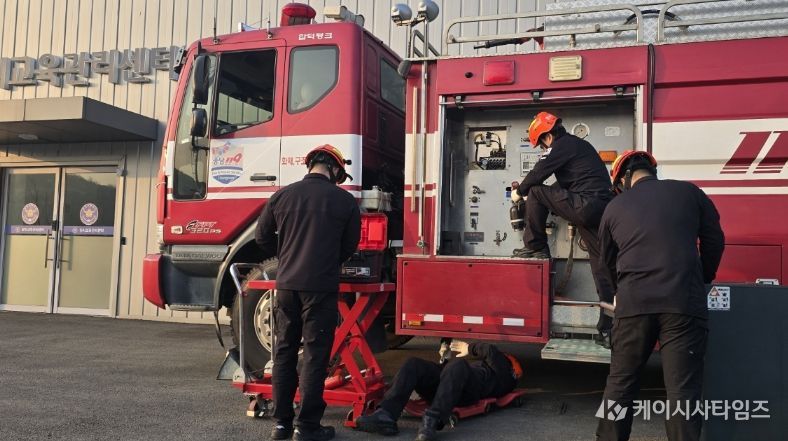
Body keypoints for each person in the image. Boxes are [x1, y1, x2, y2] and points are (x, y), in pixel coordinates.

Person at [595, 151, 725, 441]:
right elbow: (715, 239)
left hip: (633, 304)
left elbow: (604, 262)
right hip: (682, 302)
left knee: (620, 386)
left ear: (624, 180)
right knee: (682, 391)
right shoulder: (690, 192)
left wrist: (622, 291)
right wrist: (701, 277)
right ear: (652, 171)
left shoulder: (615, 207)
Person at [255, 144, 361, 441]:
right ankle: (308, 427)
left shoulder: (282, 195)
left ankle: (281, 425)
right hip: (321, 288)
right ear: (335, 169)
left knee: (284, 353)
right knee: (315, 356)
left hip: (286, 285)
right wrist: (327, 261)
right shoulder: (344, 201)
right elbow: (350, 245)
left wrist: (288, 255)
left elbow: (262, 237)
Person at [511, 111, 616, 346]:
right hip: (600, 210)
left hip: (585, 205)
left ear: (548, 136)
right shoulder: (578, 148)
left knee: (535, 191)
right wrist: (545, 203)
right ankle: (608, 328)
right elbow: (562, 185)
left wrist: (521, 193)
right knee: (602, 268)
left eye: (540, 145)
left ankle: (536, 246)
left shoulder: (563, 144)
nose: (541, 149)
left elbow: (539, 175)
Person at [355, 340, 521, 441]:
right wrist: (445, 359)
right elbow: (450, 378)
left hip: (467, 392)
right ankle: (386, 414)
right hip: (450, 387)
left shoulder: (504, 375)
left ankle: (431, 422)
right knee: (414, 364)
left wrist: (469, 348)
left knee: (458, 365)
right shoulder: (481, 370)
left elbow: (491, 350)